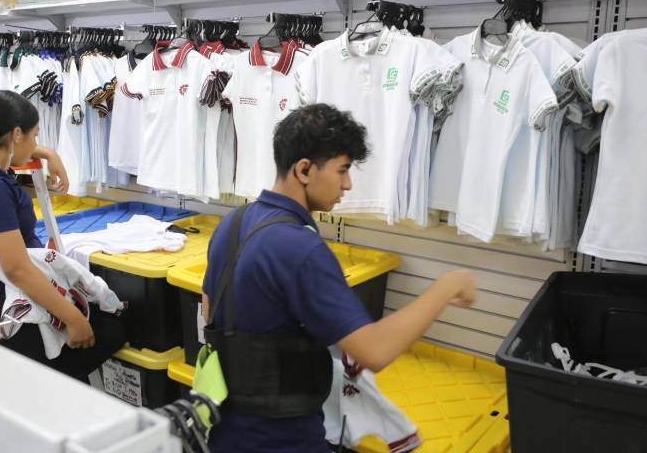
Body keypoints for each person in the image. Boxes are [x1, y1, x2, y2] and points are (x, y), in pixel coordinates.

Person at [202, 104, 476, 452]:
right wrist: (447, 286)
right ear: (304, 170)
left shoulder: (234, 222)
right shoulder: (302, 249)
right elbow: (375, 350)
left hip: (223, 430)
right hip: (283, 440)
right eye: (342, 170)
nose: (347, 184)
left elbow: (210, 308)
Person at [0, 90, 124, 382]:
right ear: (15, 134)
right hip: (1, 303)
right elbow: (16, 269)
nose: (35, 144)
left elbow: (13, 150)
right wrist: (72, 317)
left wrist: (47, 154)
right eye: (34, 136)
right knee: (113, 329)